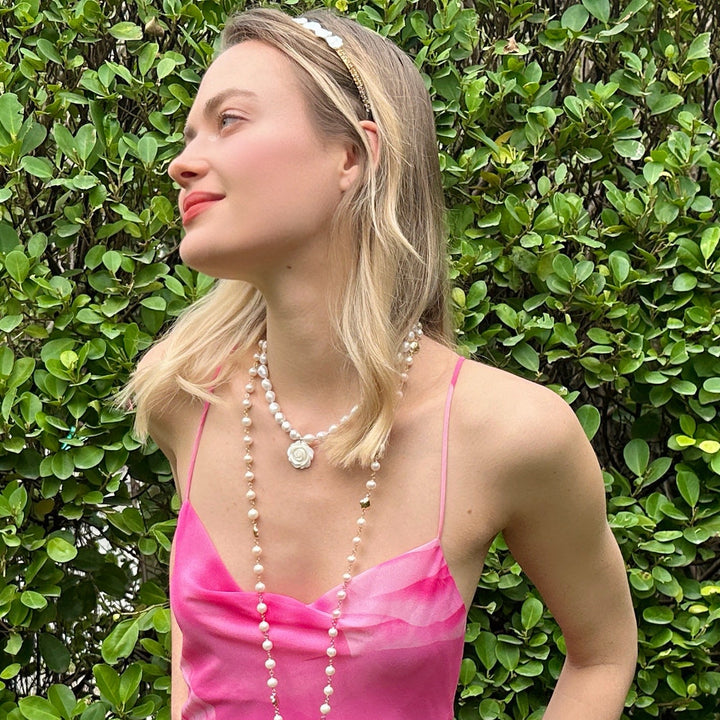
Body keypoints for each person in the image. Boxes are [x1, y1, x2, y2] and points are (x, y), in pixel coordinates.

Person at [118, 7, 637, 720]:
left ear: (351, 157)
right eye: (188, 135)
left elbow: (604, 652)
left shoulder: (510, 432)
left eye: (228, 120)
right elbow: (199, 662)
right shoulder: (184, 399)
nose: (181, 162)